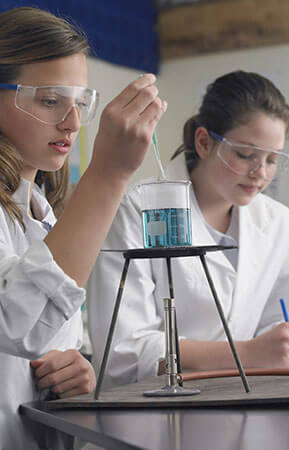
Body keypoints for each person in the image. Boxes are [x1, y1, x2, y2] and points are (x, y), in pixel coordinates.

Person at [0, 7, 166, 449]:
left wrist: (78, 370)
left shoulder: (45, 214)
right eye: (51, 100)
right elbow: (21, 326)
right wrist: (109, 174)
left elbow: (46, 339)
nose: (73, 123)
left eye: (79, 103)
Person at [87, 70, 289, 388]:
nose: (260, 173)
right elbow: (123, 352)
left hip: (253, 400)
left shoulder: (281, 223)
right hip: (157, 413)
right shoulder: (136, 209)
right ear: (205, 142)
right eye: (246, 154)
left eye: (272, 159)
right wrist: (247, 353)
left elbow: (288, 321)